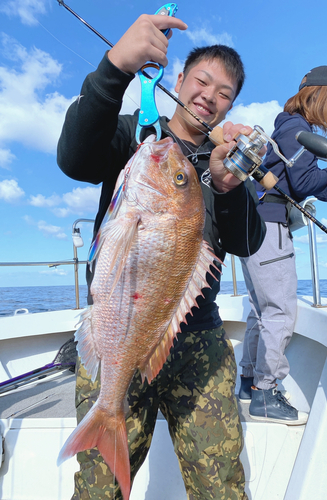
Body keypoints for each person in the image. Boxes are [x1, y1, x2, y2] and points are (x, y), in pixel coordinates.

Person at [57, 12, 266, 500]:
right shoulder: (136, 138)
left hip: (198, 342)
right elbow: (74, 157)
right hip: (117, 332)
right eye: (202, 80)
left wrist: (228, 187)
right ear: (179, 79)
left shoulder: (223, 163)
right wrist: (116, 67)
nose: (209, 97)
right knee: (98, 490)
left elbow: (248, 241)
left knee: (222, 488)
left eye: (224, 94)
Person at [238, 65, 327, 425]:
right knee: (280, 311)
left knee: (261, 310)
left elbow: (322, 189)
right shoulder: (296, 128)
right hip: (269, 228)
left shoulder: (288, 127)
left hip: (256, 227)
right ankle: (266, 394)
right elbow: (304, 182)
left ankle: (249, 381)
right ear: (317, 95)